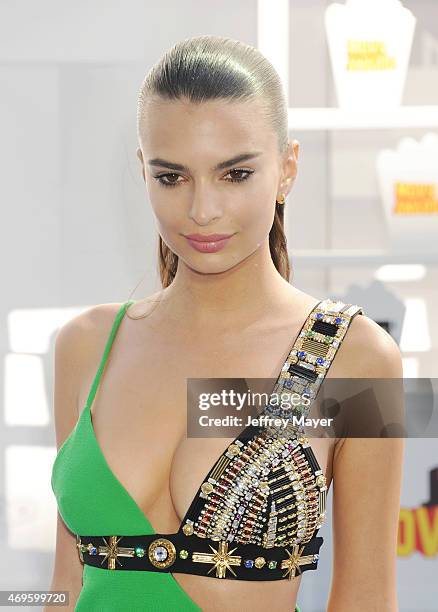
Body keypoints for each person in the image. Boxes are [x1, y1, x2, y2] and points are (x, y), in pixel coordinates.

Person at [47, 35, 405, 612]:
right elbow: (64, 587)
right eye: (172, 177)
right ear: (143, 172)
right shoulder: (84, 346)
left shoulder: (360, 359)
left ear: (287, 169)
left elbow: (366, 597)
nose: (202, 210)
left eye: (234, 175)